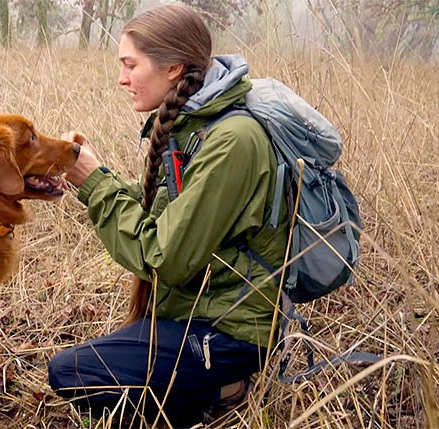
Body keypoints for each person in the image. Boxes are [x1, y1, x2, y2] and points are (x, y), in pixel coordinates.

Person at [47, 3, 289, 426]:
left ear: (174, 68)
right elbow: (164, 223)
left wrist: (95, 183)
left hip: (230, 330)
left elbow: (164, 256)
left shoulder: (233, 141)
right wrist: (94, 176)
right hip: (190, 311)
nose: (121, 78)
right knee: (96, 372)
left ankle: (223, 387)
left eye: (130, 65)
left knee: (73, 373)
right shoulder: (192, 126)